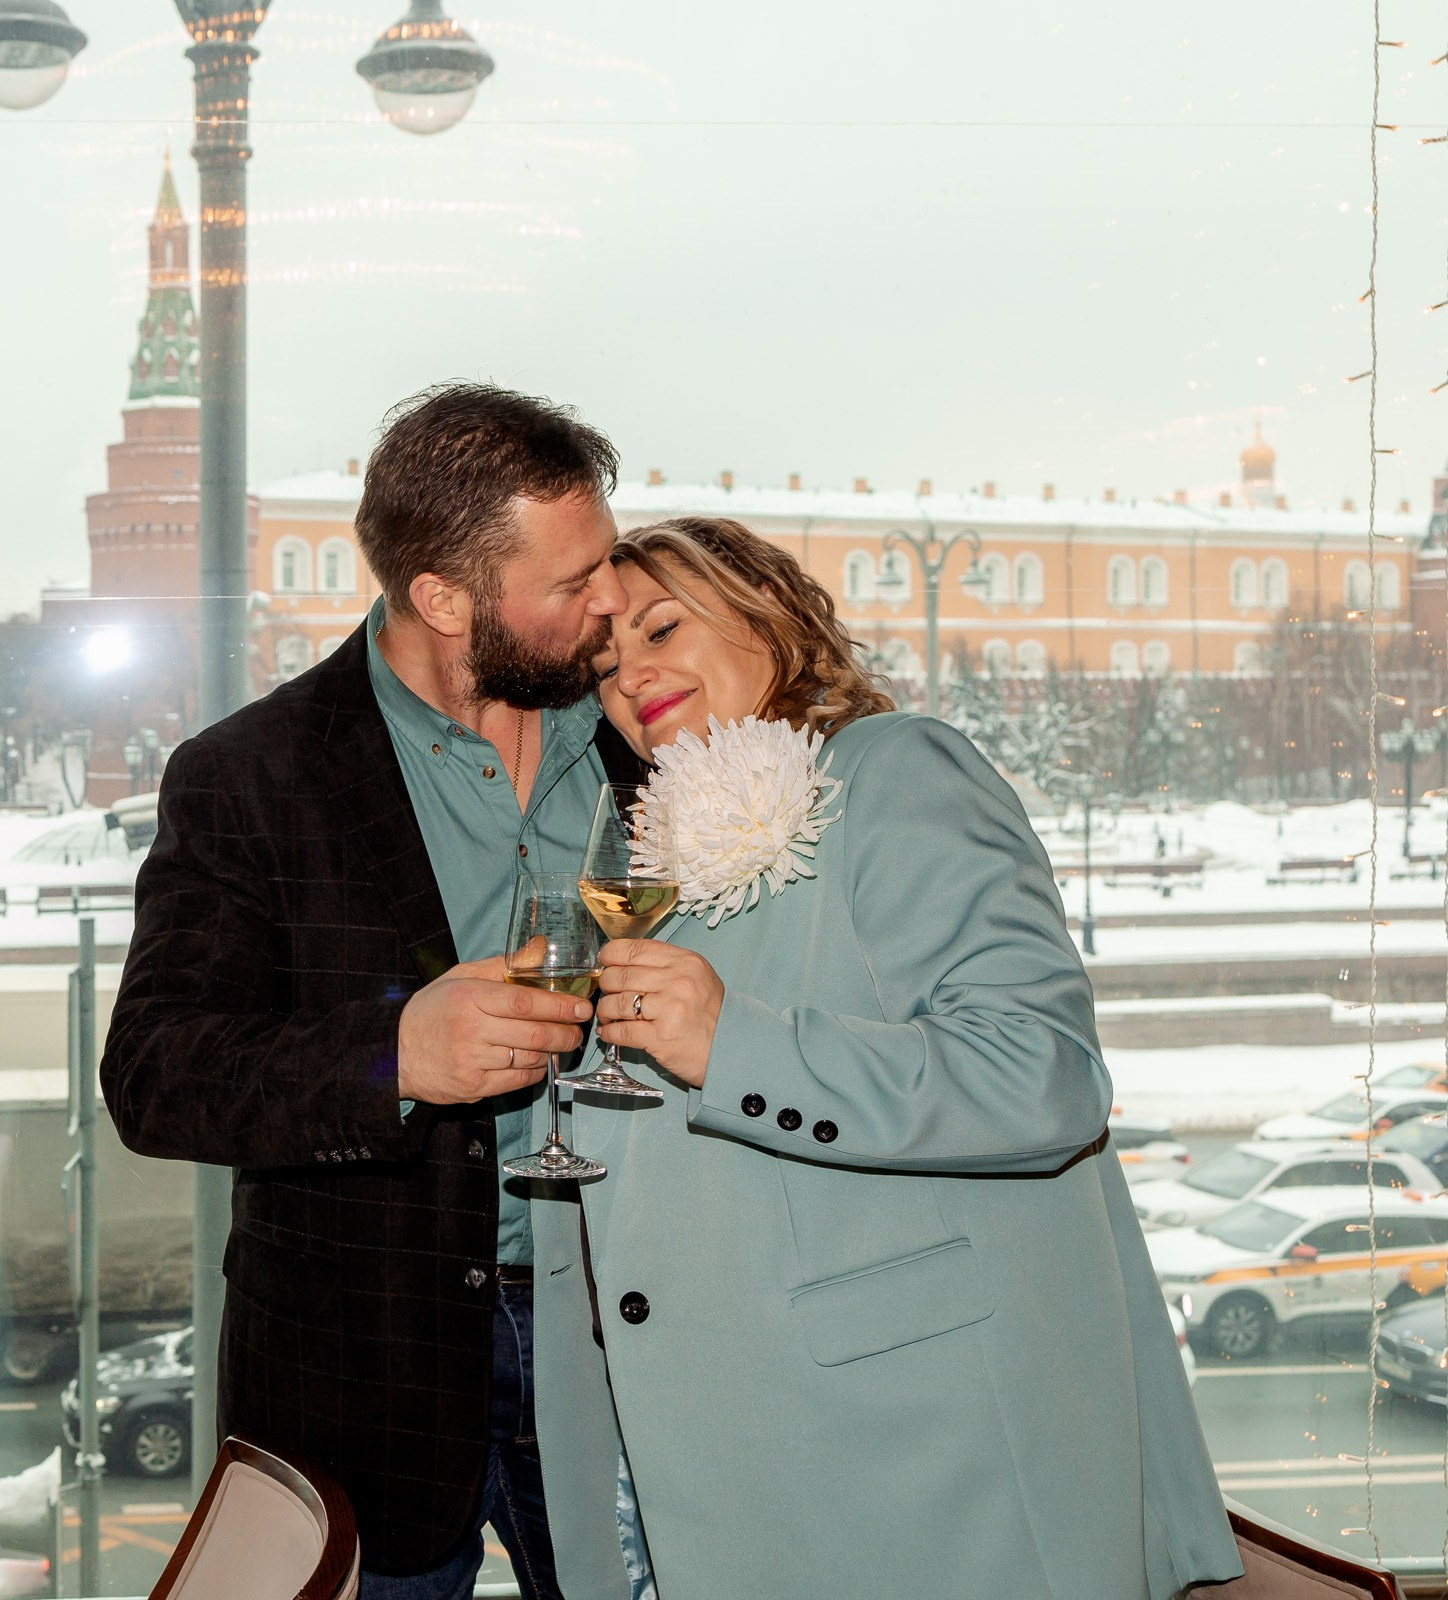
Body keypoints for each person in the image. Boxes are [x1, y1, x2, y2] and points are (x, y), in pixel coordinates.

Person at [531, 515, 1242, 1598]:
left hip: (926, 1468)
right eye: (606, 661)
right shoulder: (657, 857)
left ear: (766, 612)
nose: (633, 675)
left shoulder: (896, 770)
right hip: (729, 1460)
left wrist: (737, 1044)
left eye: (664, 627)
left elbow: (1040, 1073)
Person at [102, 383, 630, 1596]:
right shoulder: (247, 775)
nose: (611, 600)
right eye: (573, 581)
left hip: (621, 1340)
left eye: (607, 560)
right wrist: (395, 1053)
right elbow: (154, 1073)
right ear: (442, 597)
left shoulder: (643, 735)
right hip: (359, 1383)